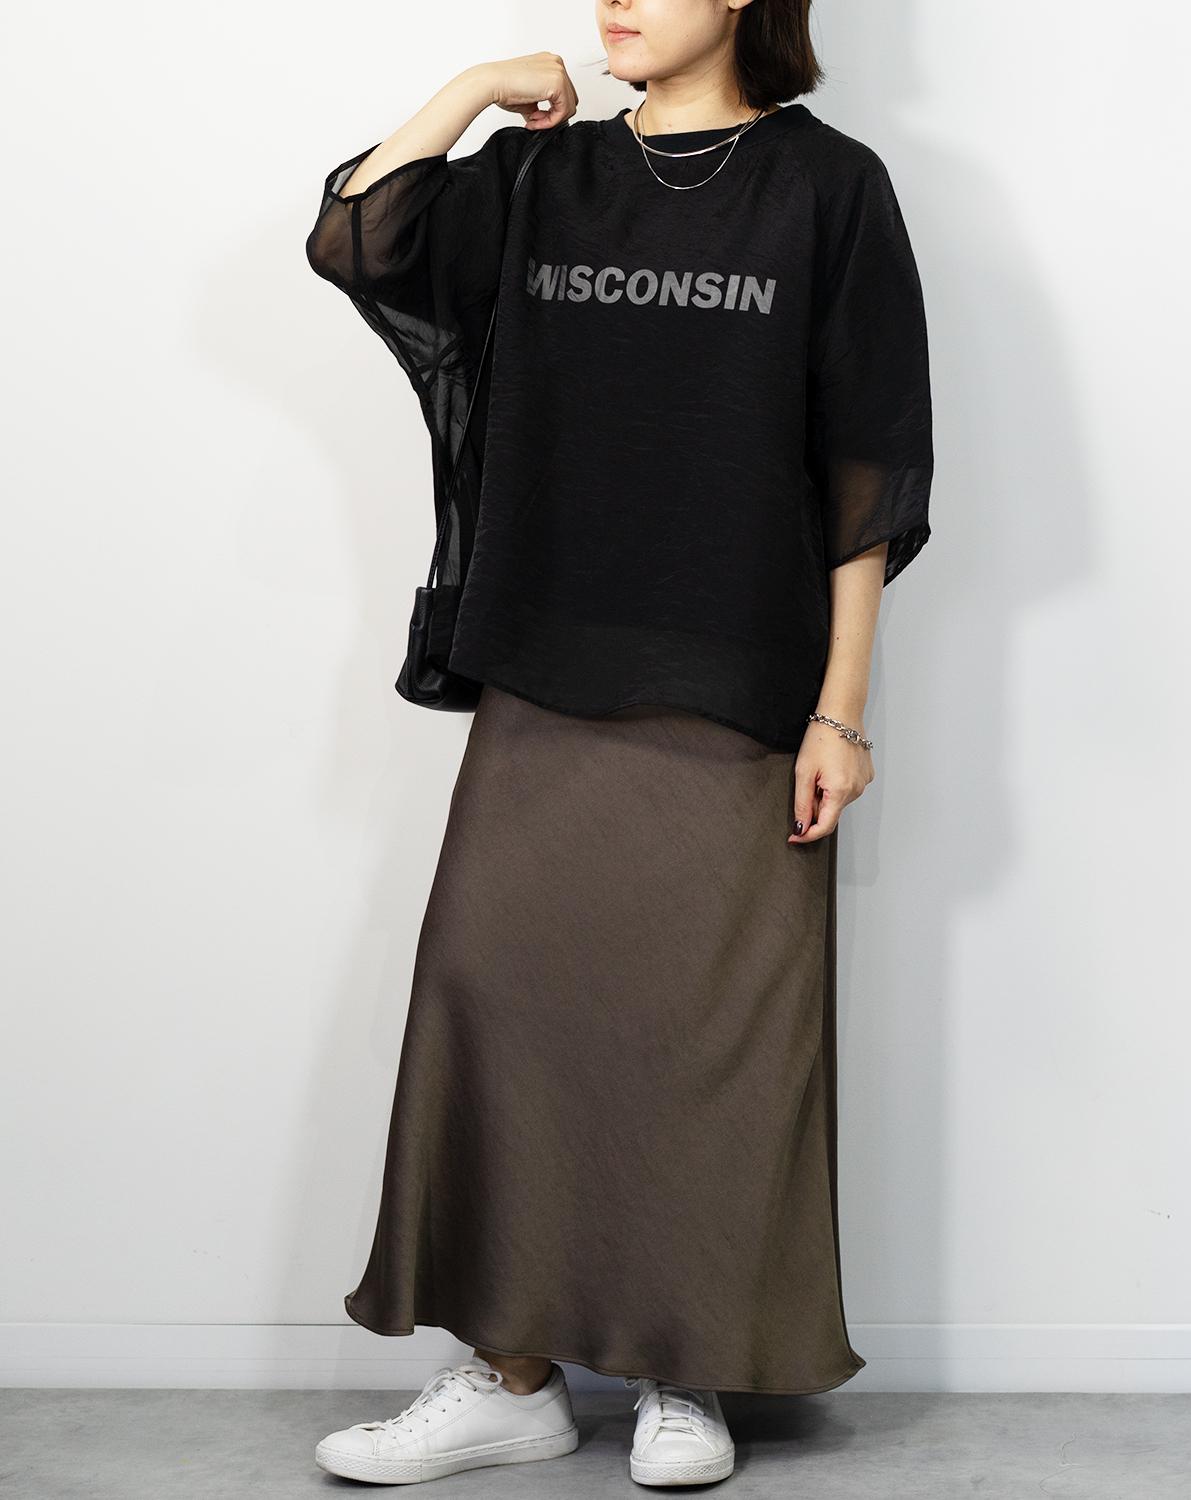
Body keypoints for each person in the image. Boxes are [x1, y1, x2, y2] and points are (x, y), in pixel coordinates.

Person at [304, 0, 933, 1487]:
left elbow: (869, 463)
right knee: (496, 1000)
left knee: (706, 1041)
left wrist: (841, 708)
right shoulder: (547, 177)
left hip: (740, 680)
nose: (615, 0)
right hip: (545, 657)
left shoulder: (829, 187)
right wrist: (473, 88)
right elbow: (358, 239)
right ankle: (513, 1376)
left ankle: (681, 1373)